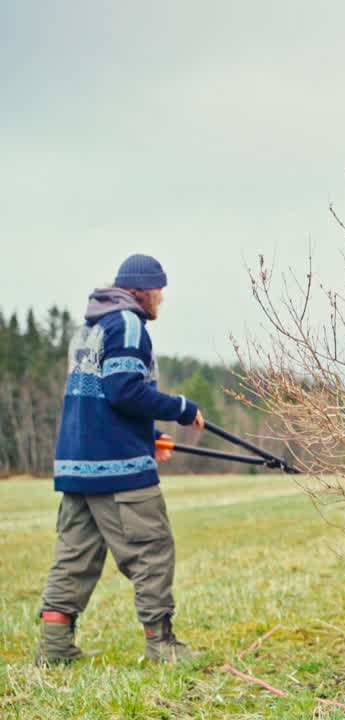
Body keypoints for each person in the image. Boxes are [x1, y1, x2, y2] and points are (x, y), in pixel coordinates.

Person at [35, 254, 205, 666]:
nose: (162, 299)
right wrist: (182, 407)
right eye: (160, 290)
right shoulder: (128, 323)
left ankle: (54, 649)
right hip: (119, 470)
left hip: (79, 467)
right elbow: (124, 390)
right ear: (143, 290)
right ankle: (162, 646)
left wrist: (149, 436)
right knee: (152, 551)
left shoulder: (91, 328)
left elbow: (101, 401)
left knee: (74, 557)